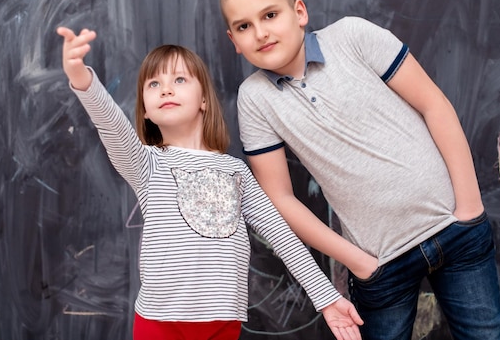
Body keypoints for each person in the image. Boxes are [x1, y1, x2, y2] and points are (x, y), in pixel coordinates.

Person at [219, 0, 500, 340]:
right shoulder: (255, 99)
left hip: (455, 228)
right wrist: (358, 262)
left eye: (270, 15)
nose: (260, 32)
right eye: (244, 26)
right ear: (233, 40)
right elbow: (280, 198)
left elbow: (433, 104)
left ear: (299, 12)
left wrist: (469, 207)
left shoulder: (352, 36)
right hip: (379, 262)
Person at [56, 26, 364, 340]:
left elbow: (281, 235)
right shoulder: (147, 164)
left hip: (222, 322)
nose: (166, 89)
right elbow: (111, 125)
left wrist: (326, 297)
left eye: (179, 80)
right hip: (160, 321)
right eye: (154, 83)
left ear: (203, 99)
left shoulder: (237, 172)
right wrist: (82, 78)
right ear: (146, 111)